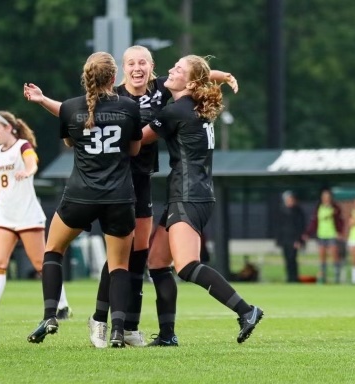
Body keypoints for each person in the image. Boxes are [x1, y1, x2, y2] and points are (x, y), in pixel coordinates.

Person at [24, 45, 238, 347]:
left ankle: (127, 328)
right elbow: (129, 133)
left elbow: (192, 76)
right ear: (120, 72)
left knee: (137, 258)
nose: (137, 68)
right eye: (131, 63)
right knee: (121, 259)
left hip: (134, 184)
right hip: (120, 186)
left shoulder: (162, 89)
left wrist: (218, 76)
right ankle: (103, 321)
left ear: (152, 68)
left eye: (143, 63)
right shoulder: (124, 102)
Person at [140, 55, 263, 346]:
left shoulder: (176, 111)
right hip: (189, 193)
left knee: (186, 266)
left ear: (190, 82)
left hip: (188, 194)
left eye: (178, 69)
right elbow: (200, 79)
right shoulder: (193, 104)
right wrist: (220, 75)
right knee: (157, 263)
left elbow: (138, 140)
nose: (170, 70)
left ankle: (246, 310)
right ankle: (168, 335)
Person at [26, 52, 142, 348]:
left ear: (86, 76)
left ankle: (50, 314)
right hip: (118, 196)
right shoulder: (129, 107)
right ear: (114, 77)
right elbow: (134, 150)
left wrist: (42, 101)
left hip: (80, 194)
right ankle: (117, 330)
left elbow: (68, 135)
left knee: (53, 250)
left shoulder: (71, 108)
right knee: (118, 266)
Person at [0, 110, 71, 321]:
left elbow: (32, 162)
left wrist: (28, 171)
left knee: (41, 264)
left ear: (8, 128)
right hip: (5, 217)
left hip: (27, 215)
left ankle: (63, 306)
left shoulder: (22, 146)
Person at [303, 188, 344, 284]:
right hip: (321, 235)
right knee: (322, 257)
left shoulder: (335, 208)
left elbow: (340, 221)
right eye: (324, 197)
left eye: (328, 197)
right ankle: (322, 278)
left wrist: (339, 232)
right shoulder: (319, 208)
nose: (326, 199)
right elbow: (314, 222)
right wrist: (308, 233)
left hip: (332, 235)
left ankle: (337, 277)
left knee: (335, 256)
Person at [275, 190, 306, 283]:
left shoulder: (298, 211)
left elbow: (301, 226)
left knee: (293, 259)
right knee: (287, 259)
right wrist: (279, 240)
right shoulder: (281, 211)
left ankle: (294, 278)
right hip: (285, 239)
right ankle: (289, 278)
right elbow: (278, 227)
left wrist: (299, 240)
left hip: (294, 239)